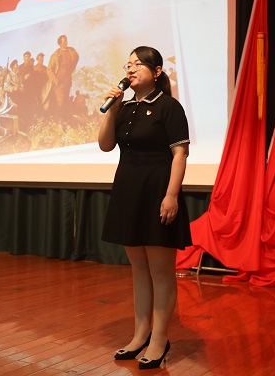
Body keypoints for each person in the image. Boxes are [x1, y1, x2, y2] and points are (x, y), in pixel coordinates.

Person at [98, 46, 191, 370]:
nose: (131, 69)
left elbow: (180, 154)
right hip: (128, 192)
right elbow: (105, 145)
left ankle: (159, 340)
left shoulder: (169, 106)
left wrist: (171, 195)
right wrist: (111, 109)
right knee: (138, 269)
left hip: (158, 192)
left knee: (161, 271)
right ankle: (140, 336)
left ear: (157, 72)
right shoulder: (124, 108)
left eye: (138, 64)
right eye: (128, 64)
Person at [45, 34, 79, 114]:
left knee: (66, 99)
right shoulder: (55, 55)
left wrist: (72, 51)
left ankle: (64, 118)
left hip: (67, 80)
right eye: (64, 41)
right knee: (60, 101)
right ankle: (58, 119)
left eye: (66, 40)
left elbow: (76, 58)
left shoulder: (70, 51)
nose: (66, 42)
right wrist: (55, 79)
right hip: (58, 81)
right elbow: (49, 69)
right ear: (60, 43)